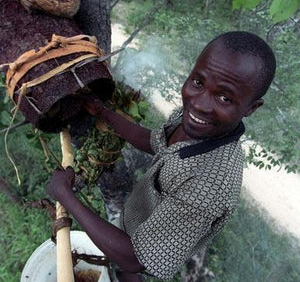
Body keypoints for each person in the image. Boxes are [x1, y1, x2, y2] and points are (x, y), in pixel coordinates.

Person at [46, 31, 276, 281]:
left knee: (127, 271)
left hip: (140, 251)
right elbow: (155, 141)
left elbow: (134, 259)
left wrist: (66, 197)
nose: (199, 104)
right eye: (198, 82)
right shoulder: (191, 119)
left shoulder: (207, 189)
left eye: (224, 97)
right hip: (138, 221)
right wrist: (104, 113)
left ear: (252, 107)